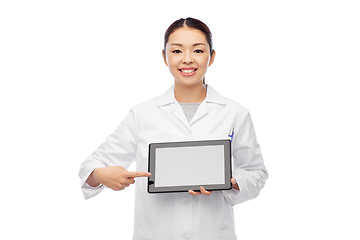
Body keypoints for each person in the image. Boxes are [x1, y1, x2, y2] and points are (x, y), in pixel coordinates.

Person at [79, 17, 268, 240]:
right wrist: (100, 175)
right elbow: (91, 166)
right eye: (177, 51)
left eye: (198, 50)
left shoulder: (235, 113)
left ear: (212, 56)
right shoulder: (143, 114)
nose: (187, 59)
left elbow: (256, 173)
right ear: (164, 56)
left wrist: (232, 182)